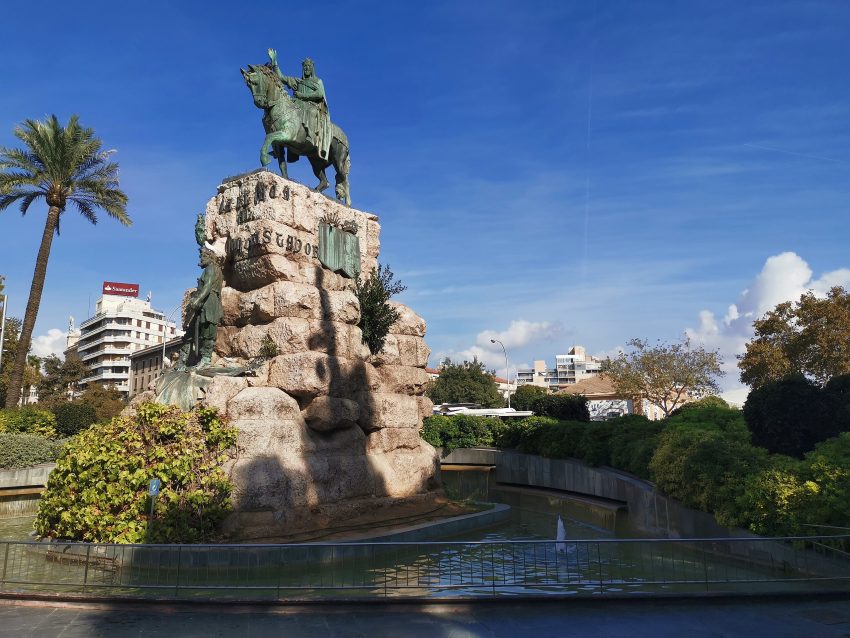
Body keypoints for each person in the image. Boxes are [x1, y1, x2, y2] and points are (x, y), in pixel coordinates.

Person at [268, 48, 332, 160]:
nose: (306, 68)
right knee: (286, 115)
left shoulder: (318, 81)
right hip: (298, 105)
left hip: (313, 106)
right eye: (305, 67)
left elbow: (320, 94)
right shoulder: (298, 82)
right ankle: (282, 146)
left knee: (310, 112)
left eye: (308, 66)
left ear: (312, 68)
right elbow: (281, 77)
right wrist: (275, 63)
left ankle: (310, 137)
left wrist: (302, 96)